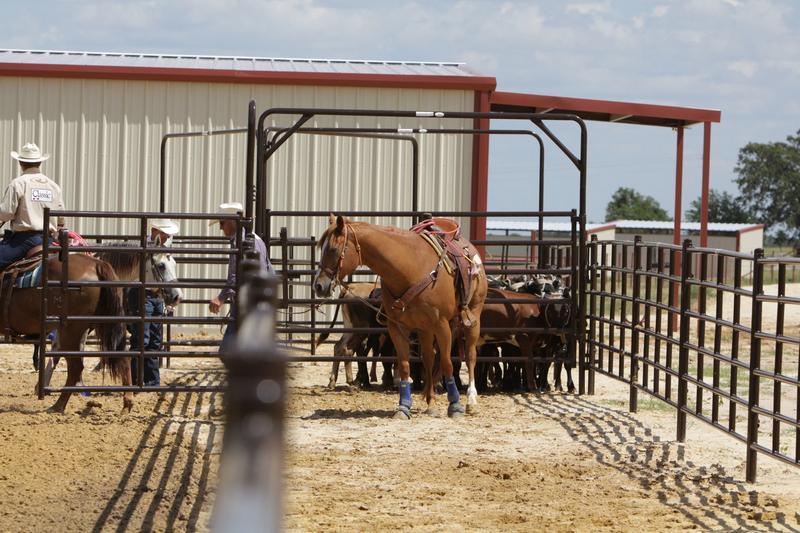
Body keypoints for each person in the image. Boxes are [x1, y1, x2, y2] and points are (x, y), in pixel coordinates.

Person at [208, 202, 274, 353]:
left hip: (246, 301)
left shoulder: (240, 243)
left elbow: (234, 275)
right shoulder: (256, 239)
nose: (220, 227)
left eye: (222, 223)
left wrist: (221, 297)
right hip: (257, 299)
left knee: (227, 351)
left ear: (232, 222)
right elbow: (269, 268)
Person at [128, 218, 180, 386]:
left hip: (156, 296)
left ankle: (152, 381)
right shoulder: (143, 249)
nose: (167, 237)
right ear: (157, 232)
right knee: (142, 339)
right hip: (142, 294)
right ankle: (136, 380)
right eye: (165, 233)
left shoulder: (163, 250)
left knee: (154, 341)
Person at [0, 143, 64, 270]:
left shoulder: (18, 184)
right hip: (48, 240)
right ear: (40, 162)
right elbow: (60, 218)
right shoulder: (53, 186)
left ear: (20, 163)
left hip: (23, 241)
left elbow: (6, 213)